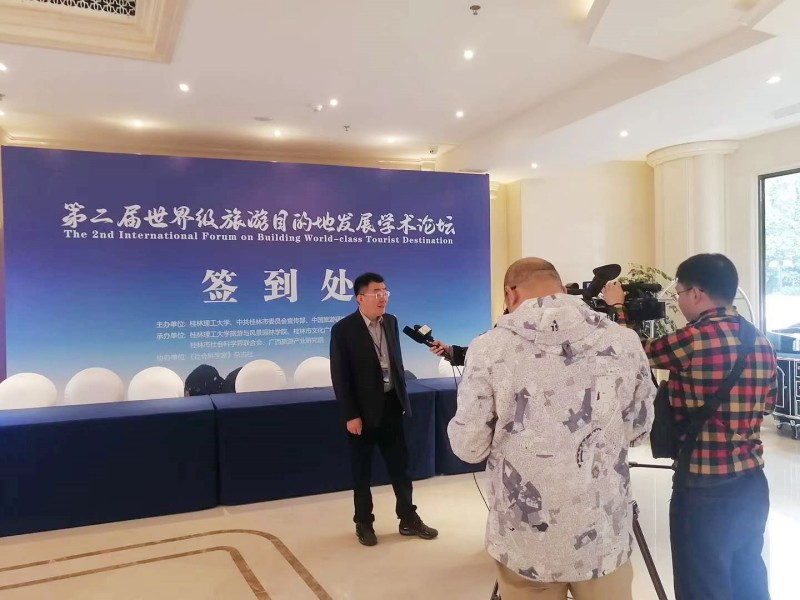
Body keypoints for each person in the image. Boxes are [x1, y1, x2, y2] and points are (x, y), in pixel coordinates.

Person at [448, 257, 655, 600]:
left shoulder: (488, 348)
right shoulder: (624, 341)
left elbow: (469, 446)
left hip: (526, 540)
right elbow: (639, 429)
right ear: (560, 288)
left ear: (510, 294)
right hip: (602, 531)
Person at [604, 253, 777, 600]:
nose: (679, 301)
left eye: (680, 293)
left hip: (703, 487)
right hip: (752, 482)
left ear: (696, 293)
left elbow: (631, 352)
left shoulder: (693, 339)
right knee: (749, 581)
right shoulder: (760, 341)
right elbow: (768, 405)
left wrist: (618, 308)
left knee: (702, 586)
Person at [329, 272, 438, 547]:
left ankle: (408, 518)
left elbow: (395, 364)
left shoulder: (391, 322)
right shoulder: (343, 330)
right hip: (362, 412)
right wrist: (351, 415)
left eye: (385, 291)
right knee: (362, 471)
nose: (383, 297)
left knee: (400, 468)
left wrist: (402, 400)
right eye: (376, 292)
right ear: (360, 298)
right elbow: (340, 377)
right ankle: (363, 523)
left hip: (391, 406)